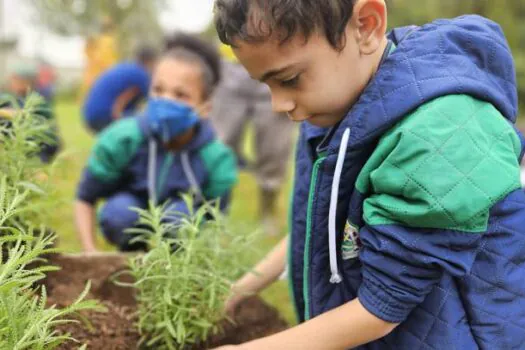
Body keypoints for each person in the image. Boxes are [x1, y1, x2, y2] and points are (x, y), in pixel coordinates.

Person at [213, 0, 525, 349]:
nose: (278, 105)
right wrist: (241, 288)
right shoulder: (339, 104)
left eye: (288, 79)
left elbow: (382, 307)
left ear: (366, 26)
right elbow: (325, 228)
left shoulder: (438, 134)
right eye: (266, 85)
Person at [75, 34, 237, 253]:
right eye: (158, 90)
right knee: (119, 214)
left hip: (181, 217)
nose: (166, 100)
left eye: (181, 94)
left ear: (205, 108)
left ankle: (176, 266)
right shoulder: (123, 139)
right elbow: (86, 196)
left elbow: (217, 218)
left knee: (180, 220)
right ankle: (132, 256)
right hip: (131, 207)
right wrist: (90, 251)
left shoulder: (215, 158)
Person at [207, 43, 295, 236]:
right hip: (231, 67)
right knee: (219, 146)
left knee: (274, 148)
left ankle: (267, 212)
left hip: (276, 64)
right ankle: (212, 212)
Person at [82, 45, 157, 133]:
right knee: (144, 125)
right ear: (151, 61)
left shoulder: (126, 67)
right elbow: (154, 101)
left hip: (90, 115)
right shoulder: (141, 74)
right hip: (104, 116)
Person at [0, 62, 61, 163]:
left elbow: (51, 138)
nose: (15, 83)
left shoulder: (39, 102)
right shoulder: (6, 97)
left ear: (29, 82)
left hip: (34, 153)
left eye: (19, 80)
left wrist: (19, 115)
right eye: (14, 79)